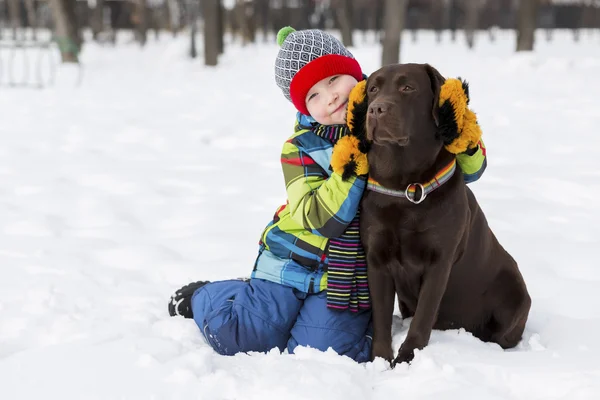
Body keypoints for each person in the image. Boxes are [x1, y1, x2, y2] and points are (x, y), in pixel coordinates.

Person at [168, 27, 488, 363]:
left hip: (345, 283)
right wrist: (352, 161)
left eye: (335, 79)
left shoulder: (394, 118)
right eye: (314, 96)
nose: (331, 97)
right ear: (303, 109)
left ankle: (302, 319)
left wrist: (459, 132)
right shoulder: (300, 149)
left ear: (356, 75)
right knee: (242, 333)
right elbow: (321, 219)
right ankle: (207, 295)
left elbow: (470, 170)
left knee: (324, 351)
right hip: (289, 263)